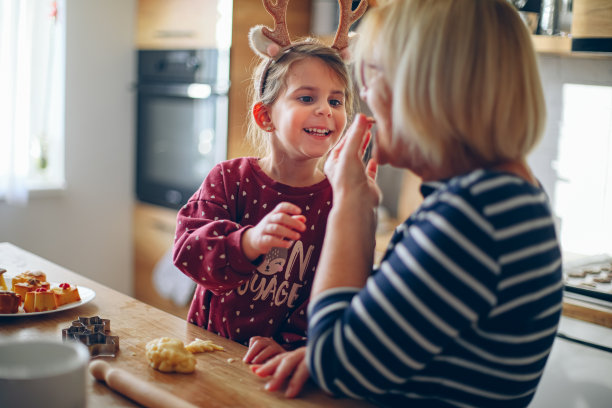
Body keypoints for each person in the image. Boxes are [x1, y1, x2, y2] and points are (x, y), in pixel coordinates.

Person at [306, 0, 564, 407]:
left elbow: (337, 366)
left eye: (374, 77)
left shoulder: (474, 216)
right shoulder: (501, 199)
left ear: (424, 91)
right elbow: (374, 339)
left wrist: (351, 204)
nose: (365, 94)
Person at [172, 38, 355, 396]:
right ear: (265, 115)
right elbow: (188, 252)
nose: (325, 110)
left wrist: (291, 345)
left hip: (278, 371)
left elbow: (332, 293)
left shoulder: (340, 201)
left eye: (336, 100)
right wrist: (248, 241)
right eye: (307, 98)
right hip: (208, 354)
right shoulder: (228, 178)